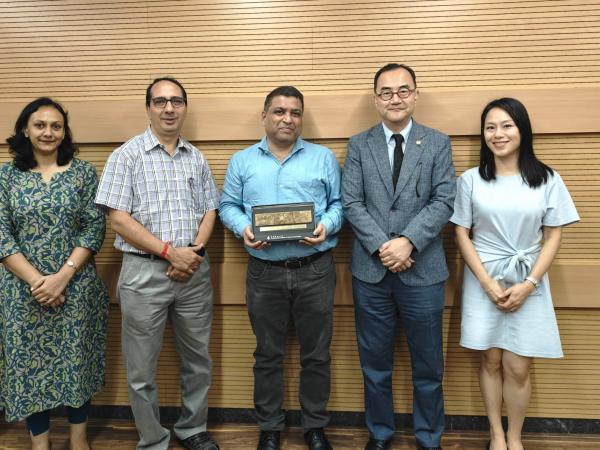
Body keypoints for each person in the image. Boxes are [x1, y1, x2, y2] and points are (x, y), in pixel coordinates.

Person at [95, 77, 220, 450]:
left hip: (194, 271)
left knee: (198, 359)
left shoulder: (195, 156)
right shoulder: (126, 155)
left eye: (176, 101)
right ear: (148, 107)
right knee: (140, 370)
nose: (169, 108)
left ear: (185, 107)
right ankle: (153, 439)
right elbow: (118, 219)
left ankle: (192, 429)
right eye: (160, 101)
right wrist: (170, 253)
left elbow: (210, 209)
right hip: (143, 272)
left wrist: (192, 252)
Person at [450, 97, 579, 450]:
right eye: (490, 127)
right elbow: (462, 232)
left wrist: (530, 283)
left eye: (507, 125)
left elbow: (553, 234)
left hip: (529, 279)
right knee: (490, 360)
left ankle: (515, 437)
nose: (498, 134)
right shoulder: (471, 180)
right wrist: (488, 284)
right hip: (483, 279)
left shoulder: (548, 179)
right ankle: (495, 435)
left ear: (522, 129)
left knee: (518, 365)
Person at [219, 86, 343, 450]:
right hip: (264, 272)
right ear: (265, 116)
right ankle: (270, 427)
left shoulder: (323, 158)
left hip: (315, 269)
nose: (287, 119)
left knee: (317, 353)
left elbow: (338, 205)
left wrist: (327, 227)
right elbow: (228, 205)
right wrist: (243, 227)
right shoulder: (242, 161)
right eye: (279, 112)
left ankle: (315, 426)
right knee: (267, 354)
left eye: (294, 112)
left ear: (301, 118)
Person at [341, 63, 456, 450]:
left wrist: (408, 240)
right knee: (375, 366)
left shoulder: (437, 142)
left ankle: (428, 437)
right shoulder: (359, 144)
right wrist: (384, 246)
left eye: (403, 90)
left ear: (416, 95)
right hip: (370, 272)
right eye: (387, 92)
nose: (395, 98)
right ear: (376, 99)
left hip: (424, 271)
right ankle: (380, 433)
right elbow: (351, 202)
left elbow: (444, 200)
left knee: (428, 366)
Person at [0, 97, 109, 450]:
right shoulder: (5, 176)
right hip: (21, 291)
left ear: (65, 132)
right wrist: (37, 281)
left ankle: (79, 438)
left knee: (77, 360)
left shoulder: (83, 173)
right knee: (29, 365)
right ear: (25, 131)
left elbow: (93, 229)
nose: (48, 132)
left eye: (56, 126)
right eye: (40, 125)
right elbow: (1, 234)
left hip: (76, 287)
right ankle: (40, 441)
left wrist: (62, 277)